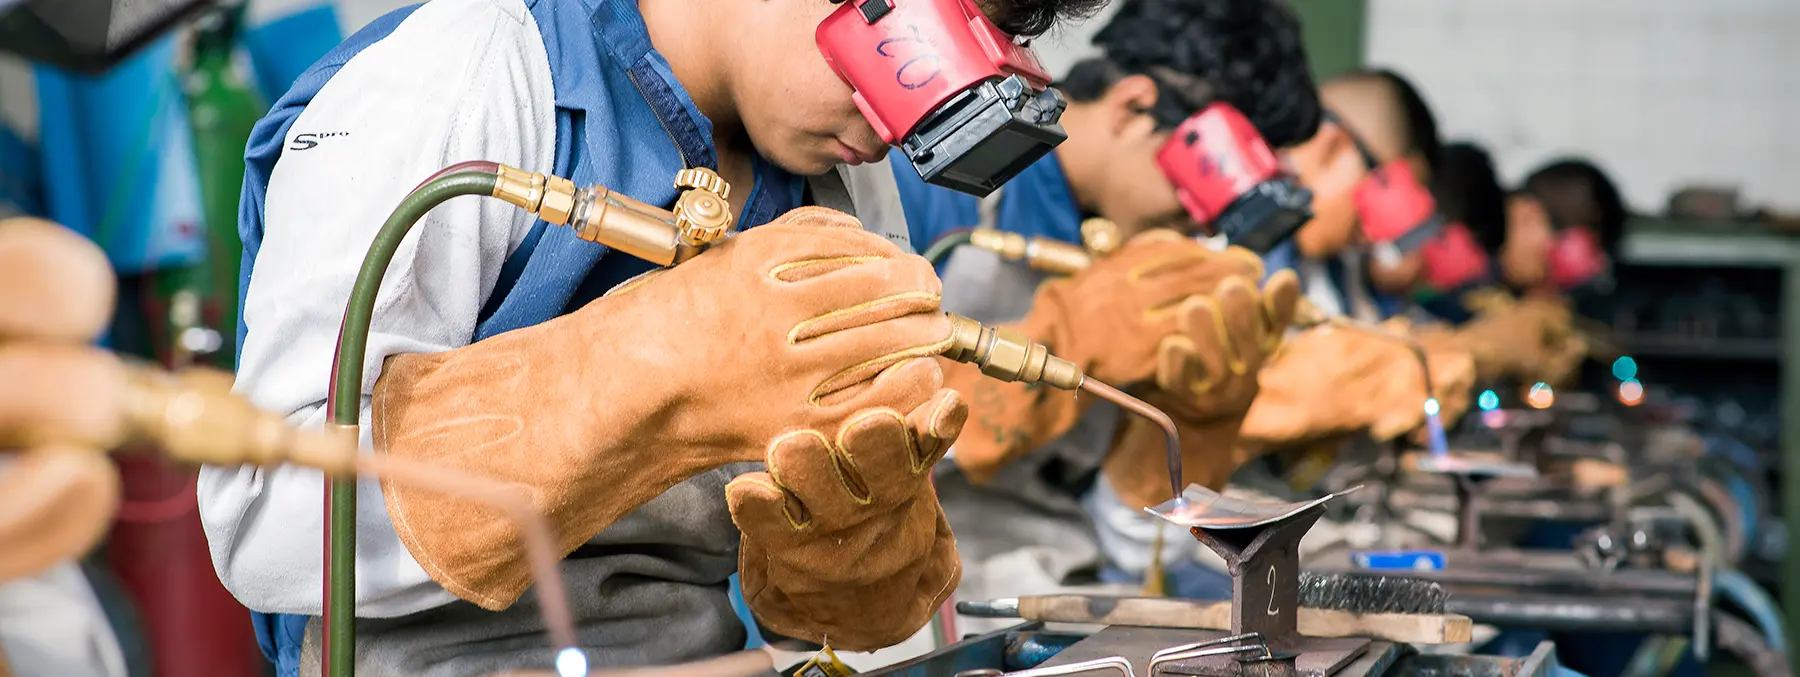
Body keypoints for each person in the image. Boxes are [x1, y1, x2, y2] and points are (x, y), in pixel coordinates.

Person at [195, 0, 1104, 675]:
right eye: (902, 63)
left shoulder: (834, 178)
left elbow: (816, 614)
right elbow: (266, 526)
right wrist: (648, 370)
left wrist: (849, 555)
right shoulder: (464, 74)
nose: (891, 129)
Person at [892, 0, 1317, 611]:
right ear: (1134, 105)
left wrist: (1187, 430)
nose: (1203, 223)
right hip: (903, 600)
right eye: (1204, 179)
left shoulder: (1139, 251)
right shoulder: (941, 169)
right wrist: (1053, 344)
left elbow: (1127, 543)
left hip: (1045, 586)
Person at [1277, 67, 1443, 322]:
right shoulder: (1217, 223)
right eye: (1363, 218)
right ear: (1332, 147)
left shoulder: (1328, 266)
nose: (1369, 238)